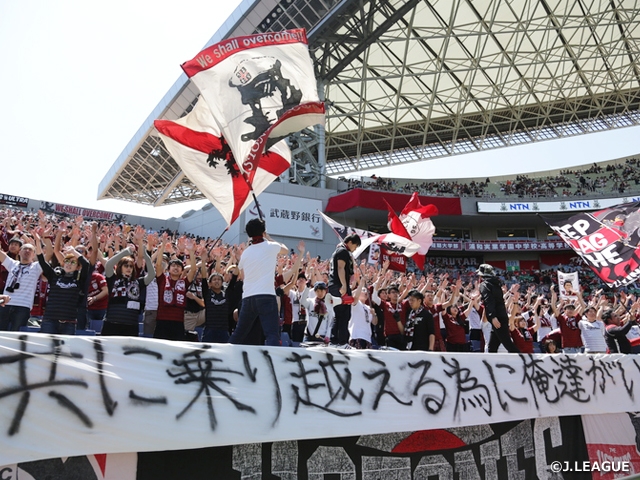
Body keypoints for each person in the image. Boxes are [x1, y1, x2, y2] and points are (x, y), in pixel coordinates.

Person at [229, 219, 288, 346]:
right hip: (266, 295)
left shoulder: (246, 253)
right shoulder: (271, 246)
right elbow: (285, 250)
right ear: (263, 231)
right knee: (272, 334)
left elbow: (242, 274)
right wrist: (269, 238)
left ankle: (226, 354)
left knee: (239, 333)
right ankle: (274, 358)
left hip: (248, 297)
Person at [33, 232, 90, 335]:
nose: (69, 264)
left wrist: (73, 251)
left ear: (78, 267)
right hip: (49, 321)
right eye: (67, 261)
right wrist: (37, 241)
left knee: (66, 346)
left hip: (69, 323)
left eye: (73, 262)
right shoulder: (54, 276)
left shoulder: (79, 279)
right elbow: (41, 260)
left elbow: (86, 264)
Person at [102, 243, 154, 337]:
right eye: (126, 266)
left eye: (131, 266)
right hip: (112, 324)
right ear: (120, 267)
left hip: (131, 326)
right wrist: (125, 252)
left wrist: (146, 256)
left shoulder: (138, 282)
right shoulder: (113, 279)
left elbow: (151, 275)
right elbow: (108, 265)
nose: (129, 268)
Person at [154, 235, 197, 341]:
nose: (176, 268)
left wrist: (191, 252)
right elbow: (158, 265)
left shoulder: (184, 282)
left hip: (178, 322)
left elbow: (193, 270)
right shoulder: (162, 279)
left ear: (182, 271)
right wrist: (163, 246)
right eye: (173, 266)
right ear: (168, 269)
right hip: (162, 320)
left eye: (178, 266)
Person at [0, 237, 42, 331]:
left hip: (23, 306)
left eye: (30, 249)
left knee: (16, 334)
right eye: (25, 248)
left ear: (34, 254)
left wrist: (38, 240)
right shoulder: (12, 263)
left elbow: (48, 255)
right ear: (19, 252)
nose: (27, 251)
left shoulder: (37, 267)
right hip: (5, 303)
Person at [477, 264, 520, 353]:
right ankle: (490, 362)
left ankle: (523, 360)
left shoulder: (484, 285)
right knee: (492, 347)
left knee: (508, 343)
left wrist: (492, 316)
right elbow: (499, 302)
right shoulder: (497, 284)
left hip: (497, 318)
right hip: (502, 315)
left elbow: (489, 300)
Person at [328, 233, 361, 345]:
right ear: (350, 242)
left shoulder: (339, 250)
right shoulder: (343, 251)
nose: (355, 249)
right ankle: (342, 342)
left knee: (339, 315)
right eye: (355, 246)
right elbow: (340, 267)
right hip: (339, 285)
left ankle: (335, 341)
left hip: (335, 285)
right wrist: (344, 285)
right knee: (343, 314)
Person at [348, 278, 377, 349]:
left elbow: (374, 322)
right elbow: (355, 297)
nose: (366, 292)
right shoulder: (356, 303)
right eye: (363, 290)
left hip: (367, 338)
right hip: (357, 336)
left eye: (367, 291)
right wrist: (361, 284)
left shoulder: (368, 307)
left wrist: (374, 314)